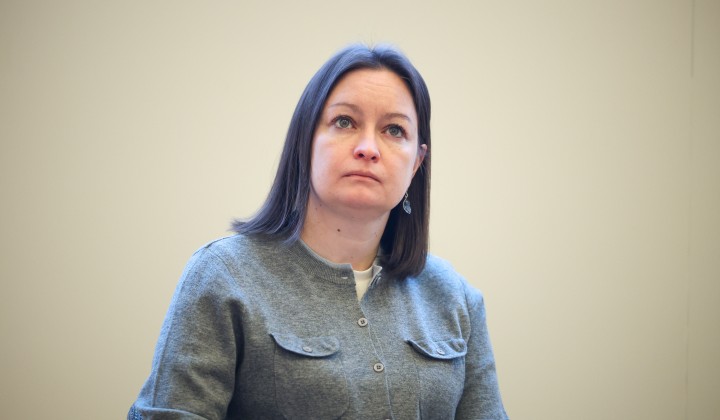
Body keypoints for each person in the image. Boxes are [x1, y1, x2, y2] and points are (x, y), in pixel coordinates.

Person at [129, 44, 508, 419]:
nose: (368, 148)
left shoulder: (456, 298)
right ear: (305, 141)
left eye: (394, 130)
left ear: (416, 163)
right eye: (344, 122)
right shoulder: (224, 275)